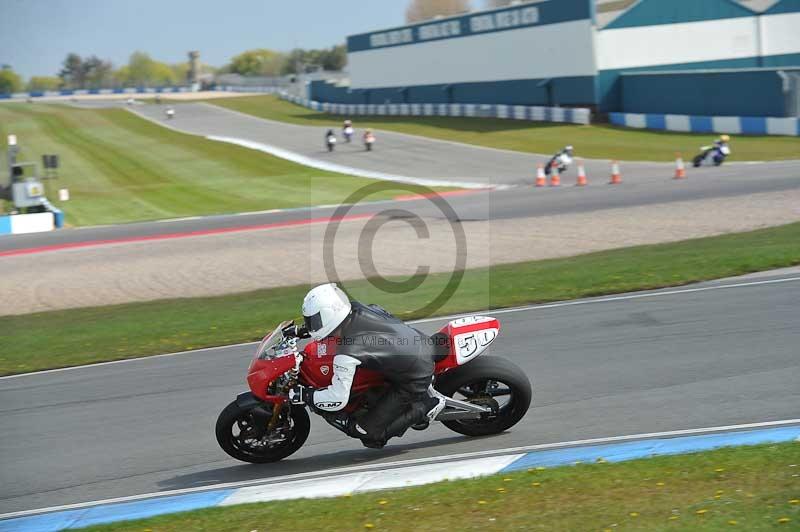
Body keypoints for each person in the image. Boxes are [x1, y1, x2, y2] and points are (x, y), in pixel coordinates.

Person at [301, 283, 446, 448]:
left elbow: (338, 398)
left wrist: (305, 395)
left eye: (313, 321)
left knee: (366, 433)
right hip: (414, 340)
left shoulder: (348, 351)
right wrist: (301, 330)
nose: (311, 325)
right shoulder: (355, 308)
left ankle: (425, 406)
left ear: (329, 315)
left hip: (414, 376)